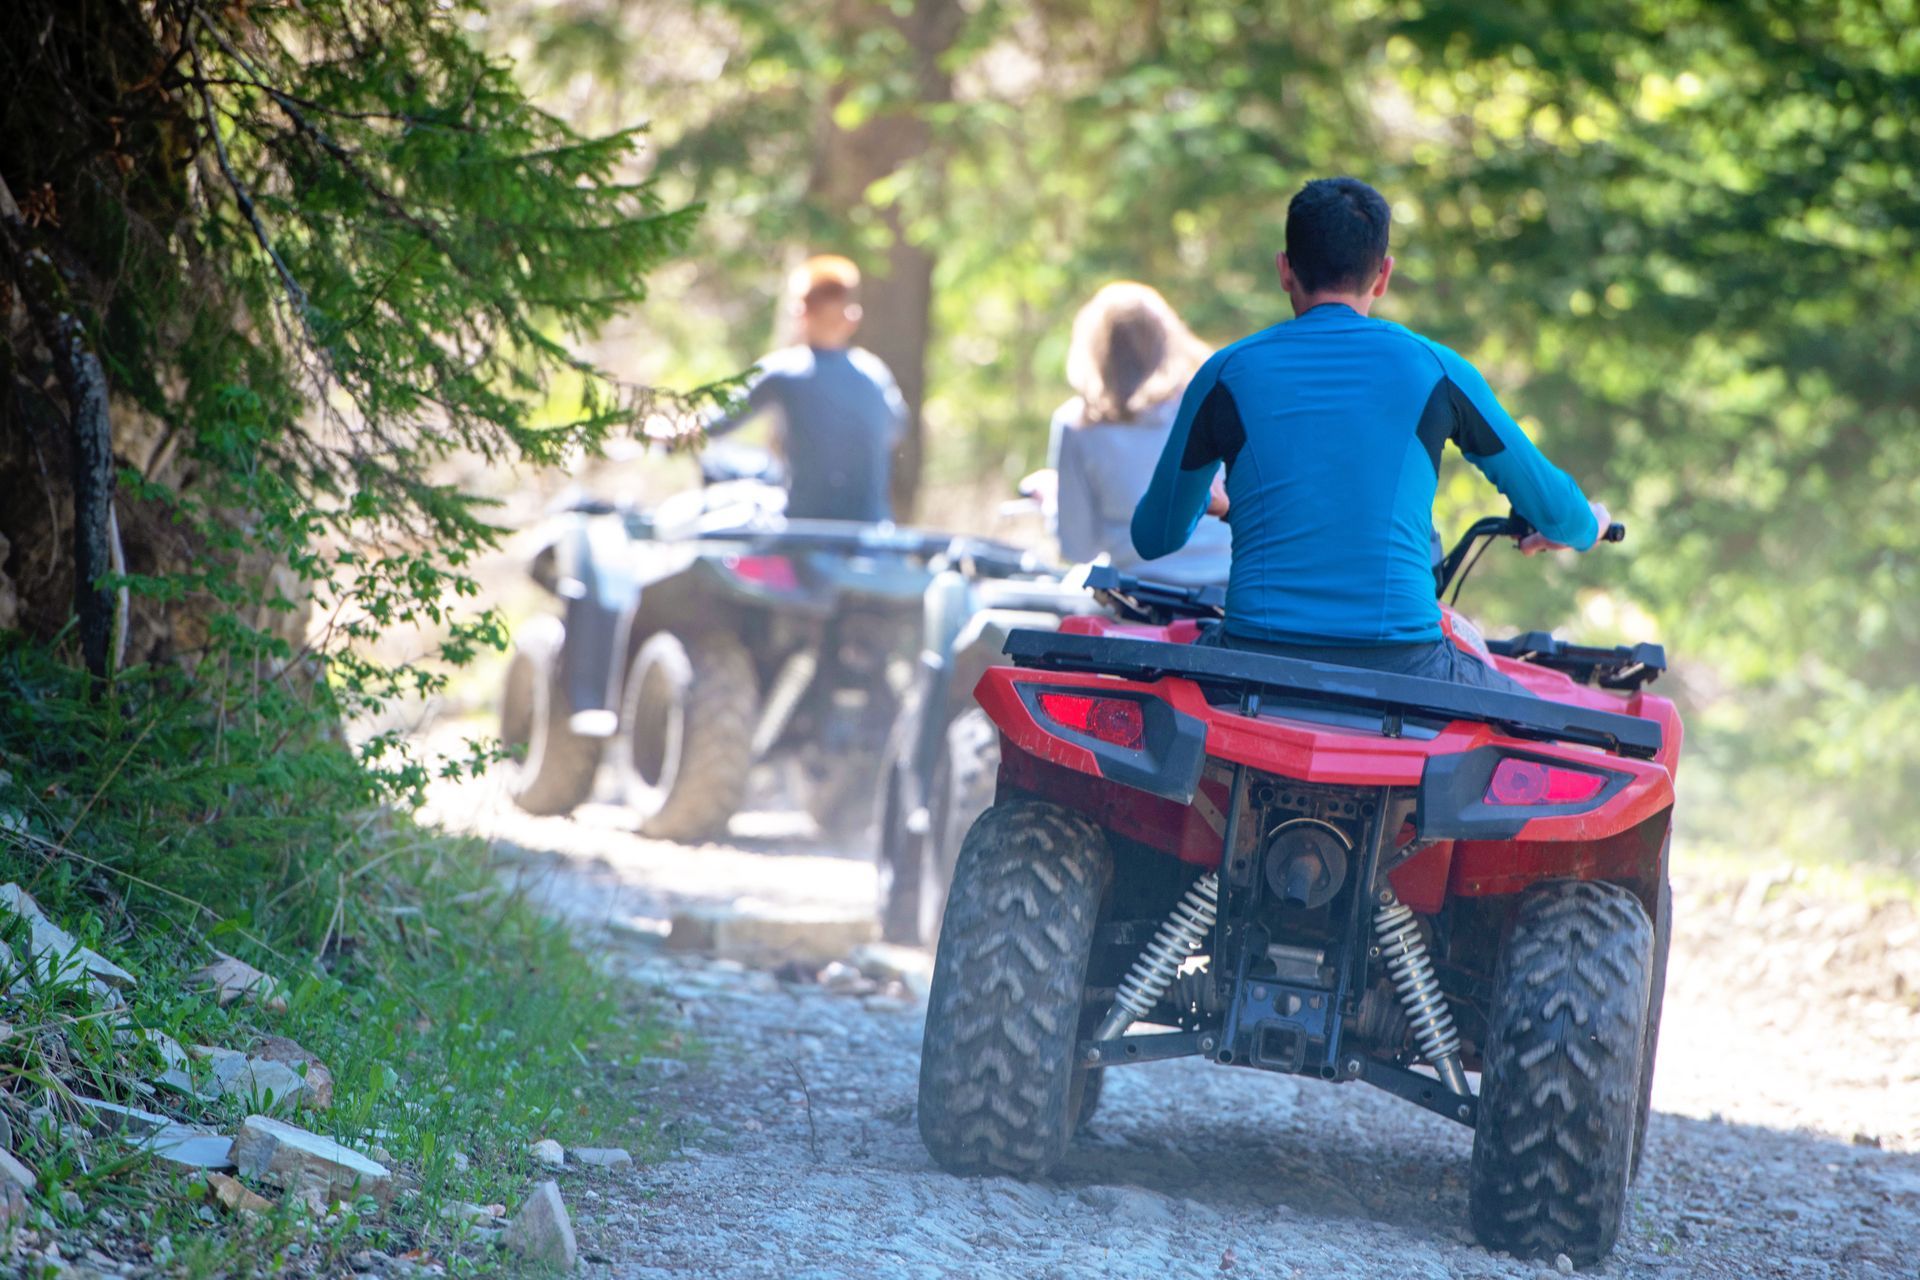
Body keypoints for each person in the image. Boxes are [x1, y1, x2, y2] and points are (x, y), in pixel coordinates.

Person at [1130, 177, 1609, 693]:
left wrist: (1208, 496)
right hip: (1409, 670)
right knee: (1548, 732)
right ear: (1383, 276)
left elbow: (1154, 539)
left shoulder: (1225, 373)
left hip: (1251, 661)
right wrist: (1590, 525)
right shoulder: (1438, 371)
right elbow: (1560, 514)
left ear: (1284, 271)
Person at [1046, 282, 1231, 587]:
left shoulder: (1078, 424)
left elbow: (1077, 549)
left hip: (1139, 597)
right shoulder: (1215, 400)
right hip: (1228, 590)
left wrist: (1051, 504)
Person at [707, 255, 907, 522]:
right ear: (852, 318)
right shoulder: (875, 373)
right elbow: (894, 432)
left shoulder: (784, 370)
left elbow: (716, 422)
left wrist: (665, 431)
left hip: (803, 535)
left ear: (800, 313)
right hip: (874, 535)